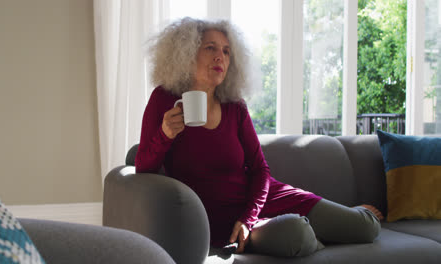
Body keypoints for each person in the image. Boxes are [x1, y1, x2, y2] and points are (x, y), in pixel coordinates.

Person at [135, 17, 383, 257]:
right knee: (297, 235)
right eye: (210, 48)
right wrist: (165, 134)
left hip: (258, 204)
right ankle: (308, 230)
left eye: (227, 51)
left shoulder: (235, 106)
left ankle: (351, 215)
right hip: (218, 223)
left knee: (367, 228)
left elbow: (260, 169)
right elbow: (143, 167)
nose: (220, 56)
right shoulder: (163, 99)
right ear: (187, 54)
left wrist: (248, 217)